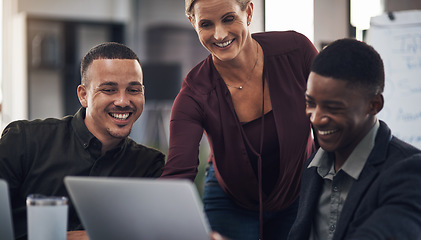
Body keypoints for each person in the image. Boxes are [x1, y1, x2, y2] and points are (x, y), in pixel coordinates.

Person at [160, 0, 318, 239]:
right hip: (231, 201)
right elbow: (177, 176)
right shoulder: (193, 95)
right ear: (193, 23)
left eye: (228, 18)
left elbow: (334, 118)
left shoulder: (296, 52)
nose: (219, 34)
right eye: (206, 24)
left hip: (298, 193)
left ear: (249, 11)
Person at [0, 42, 165, 240]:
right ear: (83, 95)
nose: (123, 101)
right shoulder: (24, 140)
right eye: (109, 90)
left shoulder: (150, 165)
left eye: (133, 90)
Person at [288, 38, 421, 240]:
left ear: (374, 105)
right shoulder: (313, 167)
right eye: (310, 103)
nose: (316, 118)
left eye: (333, 108)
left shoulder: (410, 170)